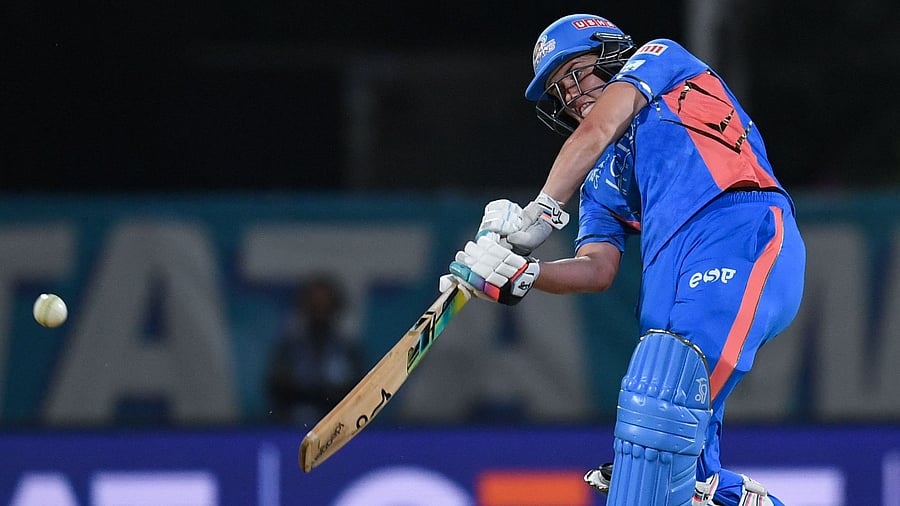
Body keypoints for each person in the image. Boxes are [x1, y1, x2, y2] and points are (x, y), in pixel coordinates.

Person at [443, 13, 806, 506]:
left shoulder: (661, 61)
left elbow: (597, 128)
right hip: (668, 281)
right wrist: (523, 274)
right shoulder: (599, 180)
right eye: (559, 89)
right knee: (669, 474)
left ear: (612, 53)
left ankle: (676, 464)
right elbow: (597, 268)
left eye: (577, 72)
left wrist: (541, 213)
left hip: (737, 232)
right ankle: (721, 491)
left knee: (658, 417)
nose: (570, 93)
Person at [266, 274, 364, 426]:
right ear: (304, 308)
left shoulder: (348, 352)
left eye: (325, 307)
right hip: (294, 427)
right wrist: (319, 394)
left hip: (340, 428)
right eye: (314, 306)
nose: (319, 313)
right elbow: (277, 389)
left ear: (335, 309)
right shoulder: (288, 350)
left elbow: (360, 391)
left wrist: (314, 393)